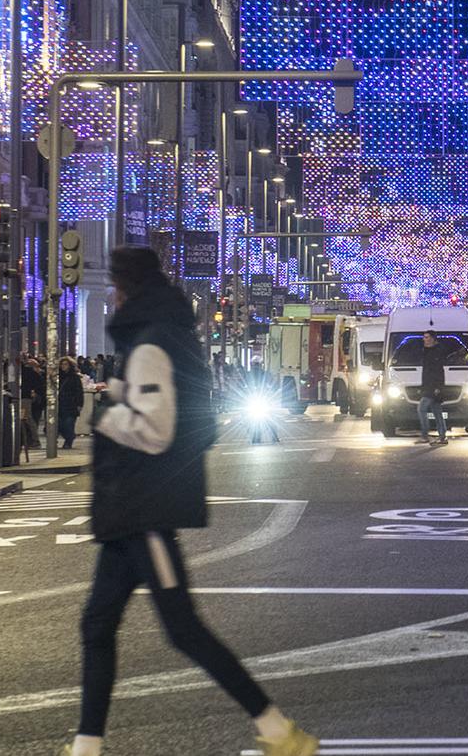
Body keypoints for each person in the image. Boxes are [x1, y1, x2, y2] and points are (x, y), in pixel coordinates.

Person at [61, 246, 315, 756]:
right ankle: (86, 746)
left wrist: (106, 414)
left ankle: (277, 729)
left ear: (127, 289)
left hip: (145, 511)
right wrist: (117, 389)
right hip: (130, 512)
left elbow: (157, 430)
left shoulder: (152, 344)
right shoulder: (158, 338)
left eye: (113, 287)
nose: (109, 296)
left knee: (182, 629)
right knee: (97, 623)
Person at [413, 330, 454, 445]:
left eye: (426, 337)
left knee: (422, 408)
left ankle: (425, 435)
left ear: (432, 339)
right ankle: (442, 437)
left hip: (433, 388)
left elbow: (437, 371)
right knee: (437, 412)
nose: (424, 339)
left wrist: (437, 387)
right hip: (429, 386)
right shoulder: (427, 351)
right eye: (424, 337)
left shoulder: (436, 352)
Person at [57, 357, 87, 449]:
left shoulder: (74, 377)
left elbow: (79, 391)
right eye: (62, 364)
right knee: (61, 425)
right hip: (61, 403)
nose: (63, 366)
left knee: (69, 424)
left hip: (71, 404)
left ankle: (68, 442)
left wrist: (79, 404)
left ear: (70, 366)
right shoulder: (59, 377)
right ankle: (69, 437)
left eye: (65, 364)